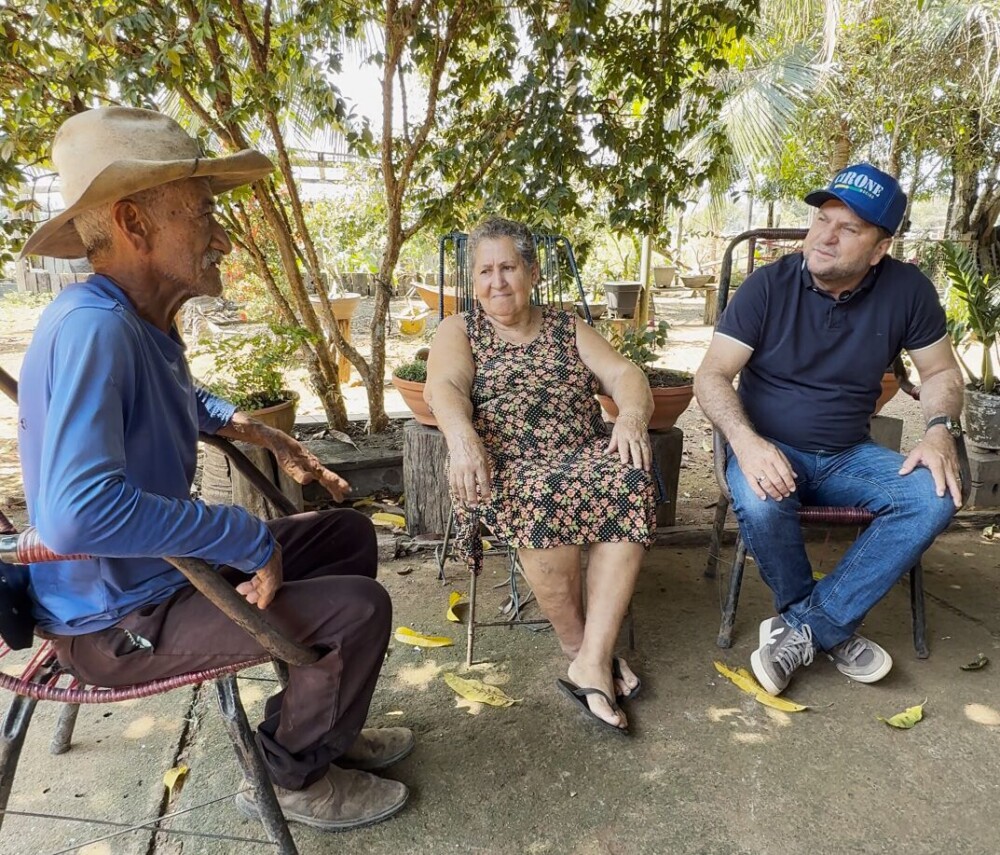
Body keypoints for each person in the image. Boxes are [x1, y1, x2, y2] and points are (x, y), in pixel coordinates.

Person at [17, 107, 410, 831]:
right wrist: (241, 534)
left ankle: (318, 723)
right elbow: (77, 512)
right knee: (358, 612)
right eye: (201, 214)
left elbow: (173, 396)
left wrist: (255, 429)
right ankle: (293, 775)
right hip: (116, 620)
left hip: (161, 575)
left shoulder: (131, 319)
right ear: (134, 224)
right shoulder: (96, 327)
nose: (222, 237)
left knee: (347, 535)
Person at [694, 163, 964, 696]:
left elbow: (940, 373)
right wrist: (746, 444)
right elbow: (711, 375)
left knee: (934, 495)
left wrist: (938, 430)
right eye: (822, 219)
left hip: (848, 455)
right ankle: (828, 628)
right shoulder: (768, 285)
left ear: (879, 248)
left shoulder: (907, 290)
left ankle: (804, 630)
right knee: (762, 501)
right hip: (769, 447)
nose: (825, 236)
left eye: (849, 228)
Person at [424, 216, 657, 734]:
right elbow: (445, 388)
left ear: (531, 272)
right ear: (473, 282)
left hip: (581, 448)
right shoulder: (460, 330)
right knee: (542, 495)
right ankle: (583, 652)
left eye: (508, 267)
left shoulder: (565, 325)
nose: (497, 281)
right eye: (485, 271)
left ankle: (590, 659)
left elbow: (624, 374)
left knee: (630, 480)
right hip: (505, 461)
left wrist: (631, 419)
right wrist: (462, 439)